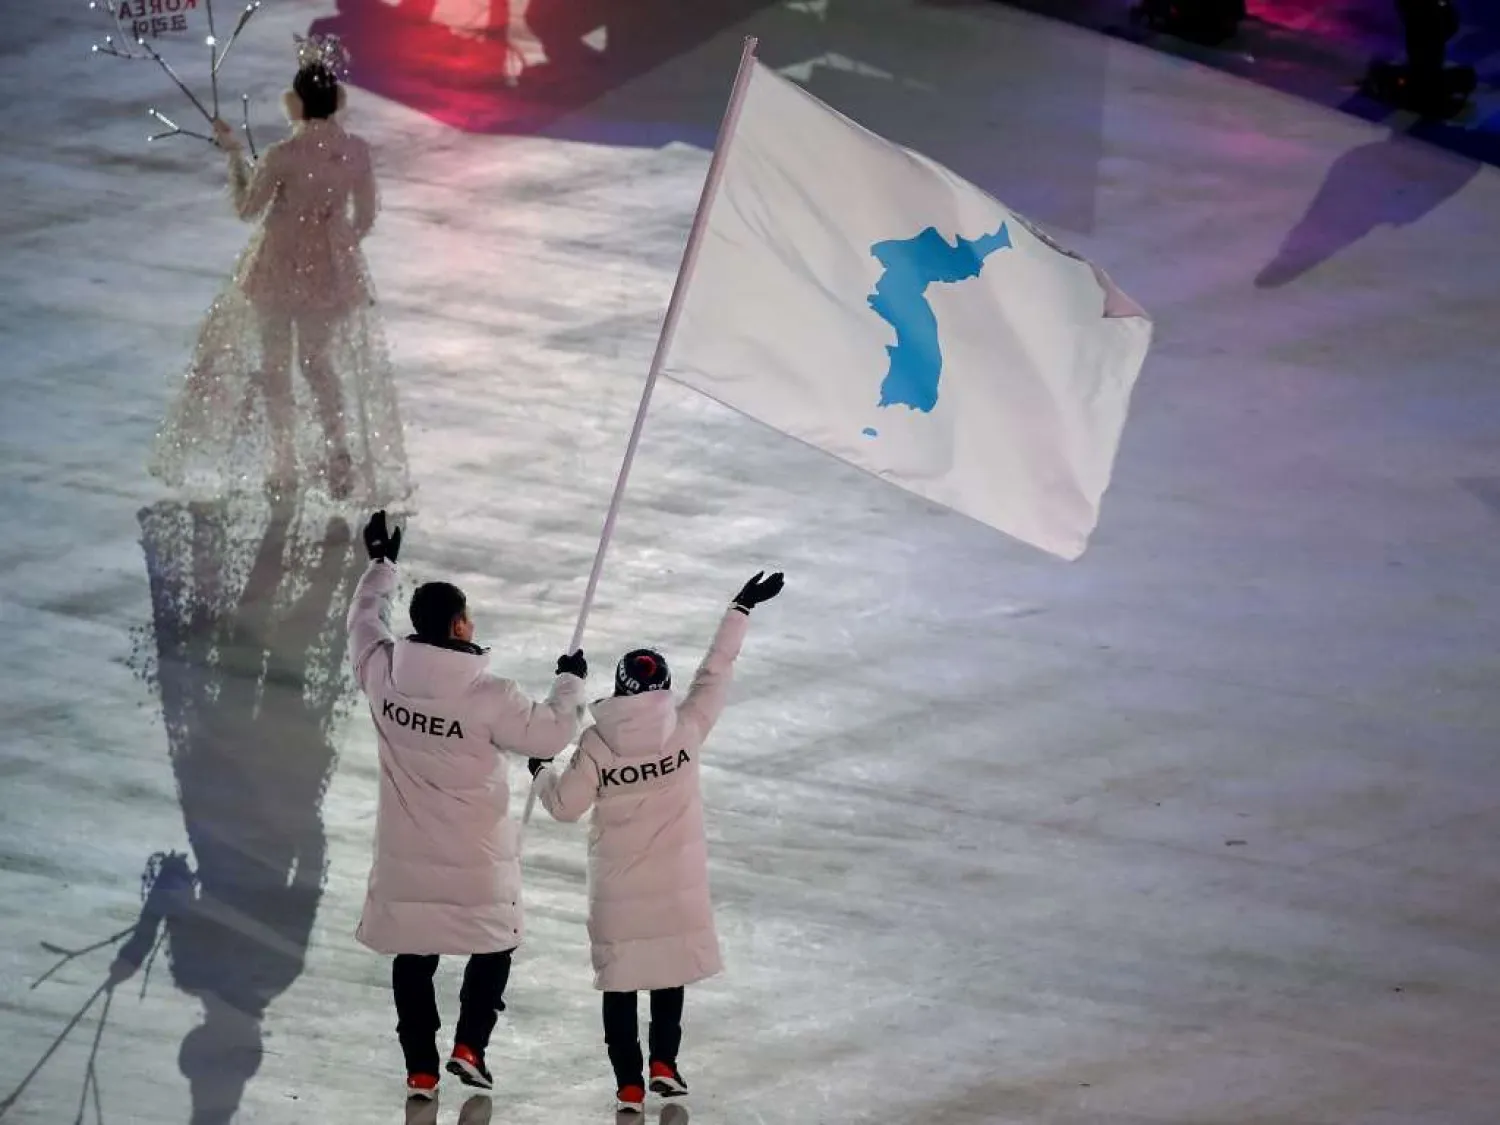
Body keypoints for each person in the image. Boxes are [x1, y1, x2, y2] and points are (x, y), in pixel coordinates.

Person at [346, 510, 588, 1099]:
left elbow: (361, 618)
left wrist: (381, 563)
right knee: (496, 942)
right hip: (476, 857)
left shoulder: (381, 672)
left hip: (406, 855)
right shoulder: (489, 697)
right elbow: (552, 737)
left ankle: (421, 1069)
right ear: (458, 627)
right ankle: (470, 1046)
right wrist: (570, 681)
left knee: (414, 954)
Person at [529, 570, 785, 1113]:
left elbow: (564, 808)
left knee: (621, 986)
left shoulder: (598, 744)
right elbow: (716, 674)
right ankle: (665, 1062)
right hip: (676, 887)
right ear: (663, 688)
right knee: (668, 973)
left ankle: (628, 1084)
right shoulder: (687, 729)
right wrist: (740, 608)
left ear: (621, 689)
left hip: (619, 895)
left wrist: (540, 772)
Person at [148, 33, 412, 505]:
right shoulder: (355, 152)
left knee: (276, 366)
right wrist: (336, 242)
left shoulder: (281, 157)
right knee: (319, 363)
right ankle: (337, 453)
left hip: (275, 268)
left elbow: (249, 208)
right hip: (328, 273)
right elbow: (366, 215)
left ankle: (284, 460)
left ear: (296, 103)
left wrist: (233, 154)